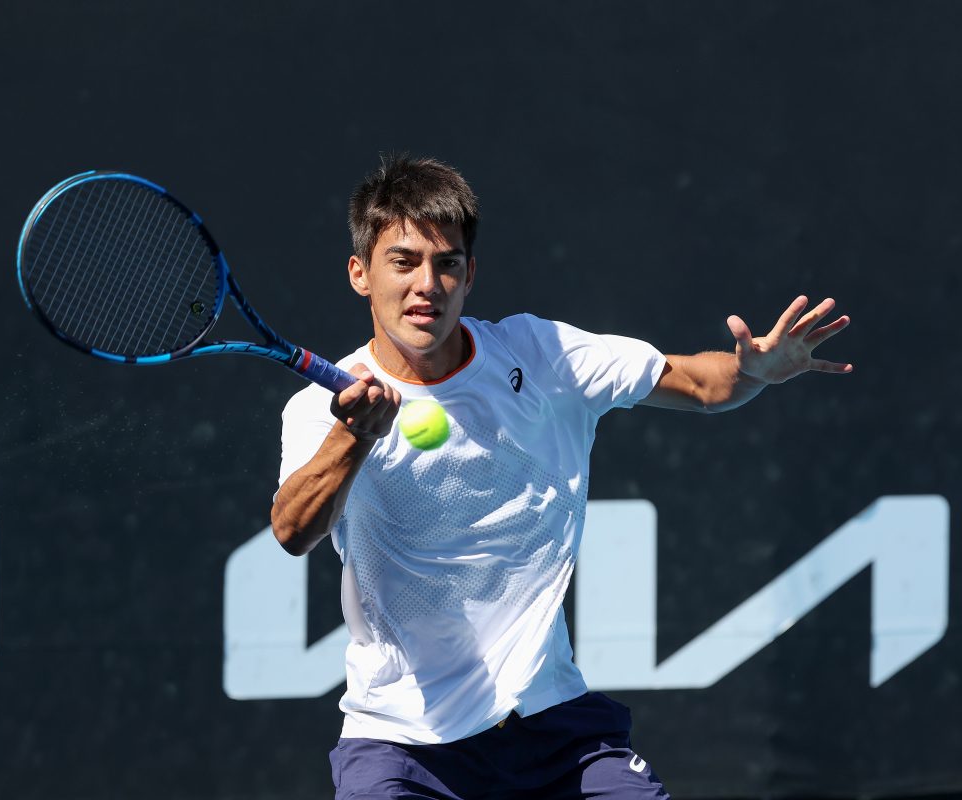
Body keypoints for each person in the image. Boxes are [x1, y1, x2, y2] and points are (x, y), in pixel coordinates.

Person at [271, 156, 851, 800]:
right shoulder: (319, 411)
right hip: (401, 739)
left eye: (448, 264)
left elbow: (700, 383)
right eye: (404, 262)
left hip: (550, 727)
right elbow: (293, 531)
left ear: (470, 275)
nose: (427, 285)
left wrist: (753, 374)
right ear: (361, 274)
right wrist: (354, 436)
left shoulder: (541, 356)